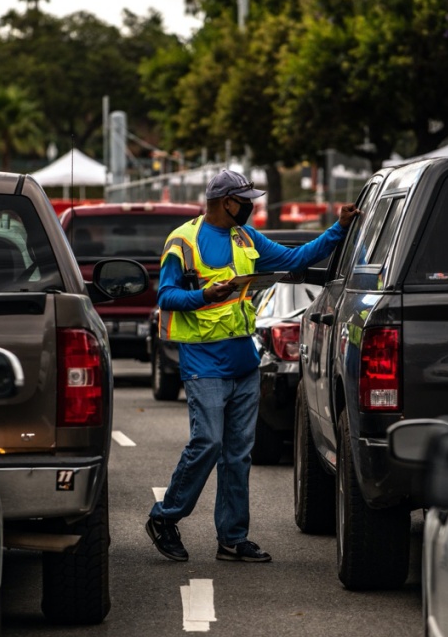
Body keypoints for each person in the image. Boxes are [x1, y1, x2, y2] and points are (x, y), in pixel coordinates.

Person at [145, 169, 359, 563]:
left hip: (243, 362)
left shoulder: (246, 237)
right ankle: (165, 517)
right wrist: (205, 295)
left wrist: (338, 229)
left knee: (237, 455)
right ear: (225, 202)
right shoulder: (183, 240)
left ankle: (231, 539)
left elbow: (296, 258)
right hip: (203, 360)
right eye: (245, 201)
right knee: (207, 443)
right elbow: (167, 296)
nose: (251, 206)